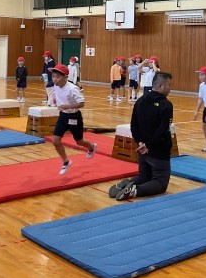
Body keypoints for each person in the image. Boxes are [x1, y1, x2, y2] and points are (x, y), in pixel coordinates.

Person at [111, 71, 174, 201]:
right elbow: (162, 131)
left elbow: (133, 125)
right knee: (160, 183)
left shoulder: (140, 101)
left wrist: (140, 142)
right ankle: (135, 190)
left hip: (142, 151)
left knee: (144, 177)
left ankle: (127, 183)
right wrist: (148, 145)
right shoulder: (166, 105)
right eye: (169, 85)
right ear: (161, 86)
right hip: (157, 152)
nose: (170, 88)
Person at [49, 64, 96, 175]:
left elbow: (82, 103)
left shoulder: (72, 88)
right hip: (63, 116)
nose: (55, 79)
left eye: (58, 77)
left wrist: (68, 106)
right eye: (53, 76)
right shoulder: (56, 85)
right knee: (55, 141)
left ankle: (91, 147)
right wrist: (56, 100)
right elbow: (60, 95)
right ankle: (66, 161)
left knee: (79, 141)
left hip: (74, 117)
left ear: (65, 77)